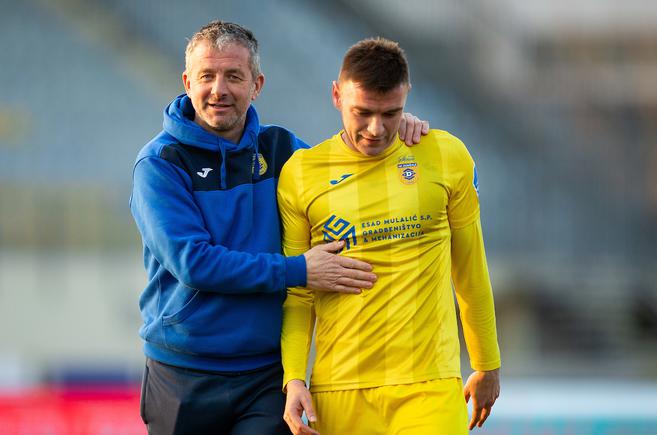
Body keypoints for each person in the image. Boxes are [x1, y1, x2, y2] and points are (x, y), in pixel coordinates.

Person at [130, 22, 429, 435]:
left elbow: (359, 176)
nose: (219, 89)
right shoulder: (160, 164)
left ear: (257, 85)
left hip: (265, 377)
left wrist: (396, 128)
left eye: (234, 76)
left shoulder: (284, 151)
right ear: (187, 82)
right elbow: (193, 262)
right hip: (182, 372)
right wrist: (298, 270)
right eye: (207, 76)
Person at [278, 37, 501, 435]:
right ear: (336, 95)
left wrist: (487, 364)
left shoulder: (446, 155)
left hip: (429, 385)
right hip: (339, 389)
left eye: (391, 113)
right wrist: (294, 377)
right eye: (362, 112)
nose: (376, 129)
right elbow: (298, 292)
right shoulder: (300, 174)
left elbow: (469, 271)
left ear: (407, 98)